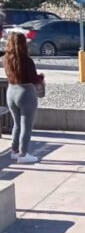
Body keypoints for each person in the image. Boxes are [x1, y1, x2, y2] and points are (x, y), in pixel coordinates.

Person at [3, 32, 43, 164]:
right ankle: (23, 154)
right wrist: (41, 77)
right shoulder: (27, 60)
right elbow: (34, 79)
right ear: (23, 44)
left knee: (17, 124)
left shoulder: (6, 59)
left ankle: (14, 151)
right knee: (26, 125)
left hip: (11, 92)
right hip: (25, 93)